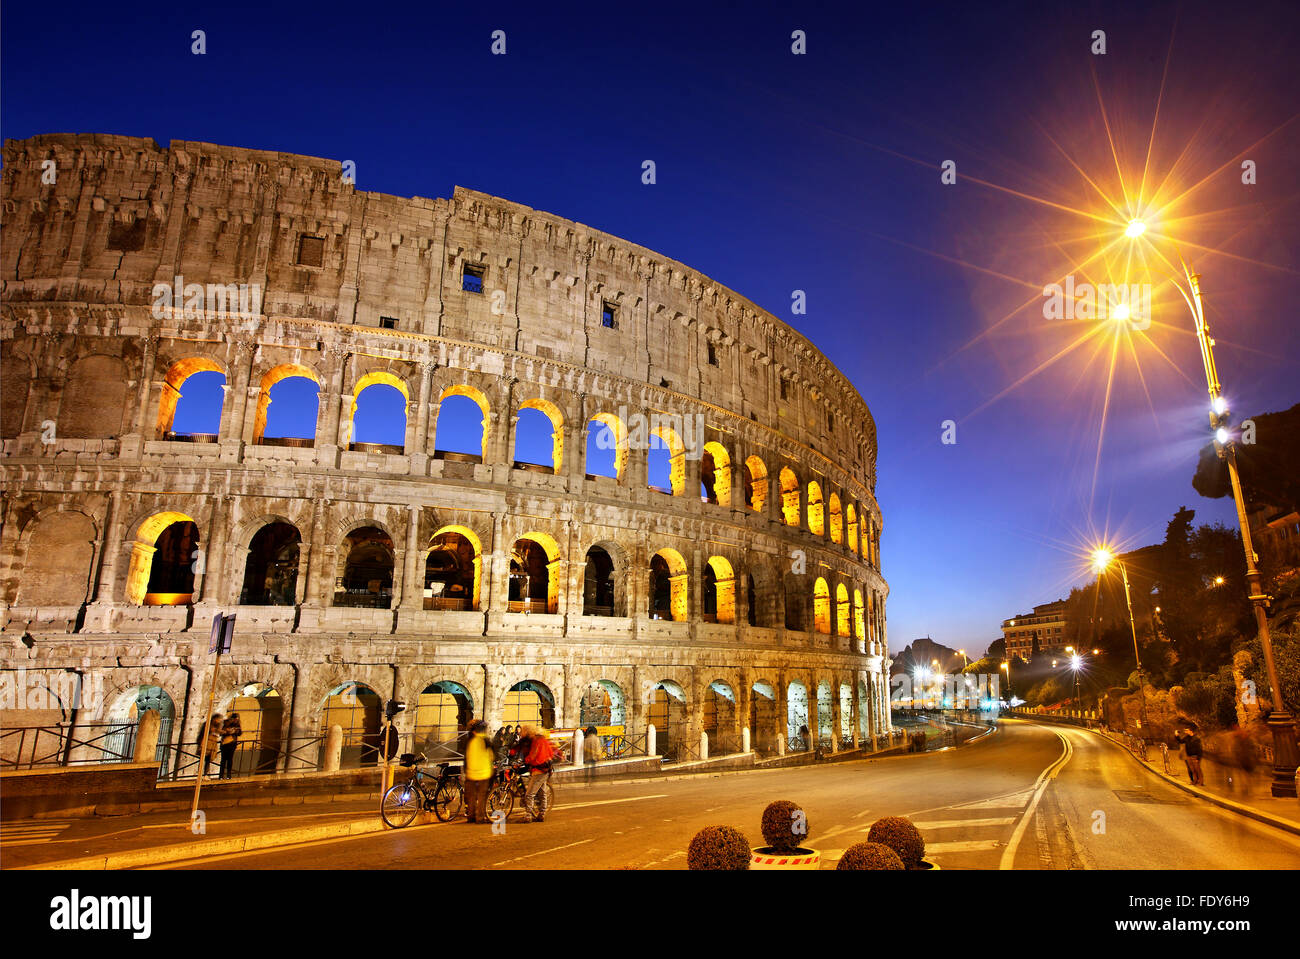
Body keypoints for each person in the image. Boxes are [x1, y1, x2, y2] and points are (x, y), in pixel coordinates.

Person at [518, 725, 558, 822]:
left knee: (529, 794)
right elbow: (551, 754)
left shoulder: (536, 741)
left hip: (538, 770)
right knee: (542, 792)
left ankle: (528, 815)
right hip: (545, 770)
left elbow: (533, 754)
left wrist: (526, 761)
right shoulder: (544, 740)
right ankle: (542, 813)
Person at [462, 720, 494, 823]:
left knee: (471, 796)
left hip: (471, 772)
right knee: (481, 796)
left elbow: (466, 756)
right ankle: (480, 817)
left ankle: (471, 816)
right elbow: (492, 756)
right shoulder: (486, 741)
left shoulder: (469, 740)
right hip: (484, 772)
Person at [219, 712, 242, 779]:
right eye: (235, 719)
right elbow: (221, 733)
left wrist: (236, 731)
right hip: (225, 744)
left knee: (230, 760)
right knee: (223, 760)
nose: (236, 720)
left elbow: (240, 733)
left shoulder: (237, 725)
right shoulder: (226, 723)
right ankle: (221, 775)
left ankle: (228, 775)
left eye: (237, 719)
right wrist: (228, 731)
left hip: (232, 744)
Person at [201, 713, 223, 778]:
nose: (219, 721)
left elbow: (218, 732)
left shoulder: (217, 725)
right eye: (219, 719)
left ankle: (206, 774)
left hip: (212, 744)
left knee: (208, 760)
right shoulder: (208, 724)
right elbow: (207, 732)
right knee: (204, 759)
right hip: (207, 743)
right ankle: (202, 774)